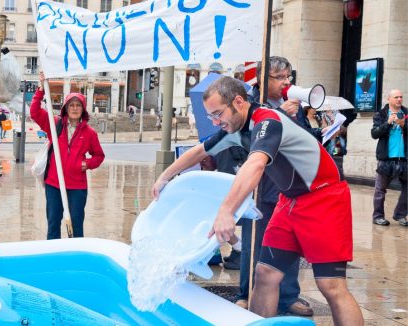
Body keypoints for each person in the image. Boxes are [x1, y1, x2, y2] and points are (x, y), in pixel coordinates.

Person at [152, 76, 363, 325]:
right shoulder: (234, 129)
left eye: (218, 113)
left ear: (239, 102)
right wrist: (164, 177)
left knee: (331, 285)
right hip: (290, 200)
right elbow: (200, 150)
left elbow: (256, 163)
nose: (216, 121)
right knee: (265, 274)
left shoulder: (268, 121)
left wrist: (226, 211)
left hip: (324, 197)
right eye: (211, 116)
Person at [234, 56, 312, 316]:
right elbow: (248, 140)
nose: (286, 82)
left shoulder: (295, 105)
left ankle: (288, 295)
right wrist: (280, 116)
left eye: (289, 77)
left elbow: (301, 139)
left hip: (288, 186)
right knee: (253, 241)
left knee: (288, 244)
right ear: (263, 78)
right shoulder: (248, 102)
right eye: (280, 77)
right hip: (260, 185)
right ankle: (246, 292)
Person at [32, 72, 105, 239]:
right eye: (71, 105)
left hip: (77, 187)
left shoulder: (89, 133)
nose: (74, 108)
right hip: (54, 184)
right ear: (65, 107)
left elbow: (99, 156)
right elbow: (35, 112)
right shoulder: (55, 123)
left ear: (83, 109)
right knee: (53, 224)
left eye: (78, 105)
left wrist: (86, 163)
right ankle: (53, 257)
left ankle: (75, 256)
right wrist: (41, 89)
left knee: (76, 225)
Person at [371, 89, 407, 226]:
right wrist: (388, 123)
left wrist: (404, 125)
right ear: (389, 99)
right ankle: (378, 216)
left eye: (401, 97)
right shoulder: (380, 114)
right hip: (386, 158)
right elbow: (374, 134)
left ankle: (400, 214)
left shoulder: (406, 113)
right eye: (396, 97)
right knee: (380, 189)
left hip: (404, 159)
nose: (399, 99)